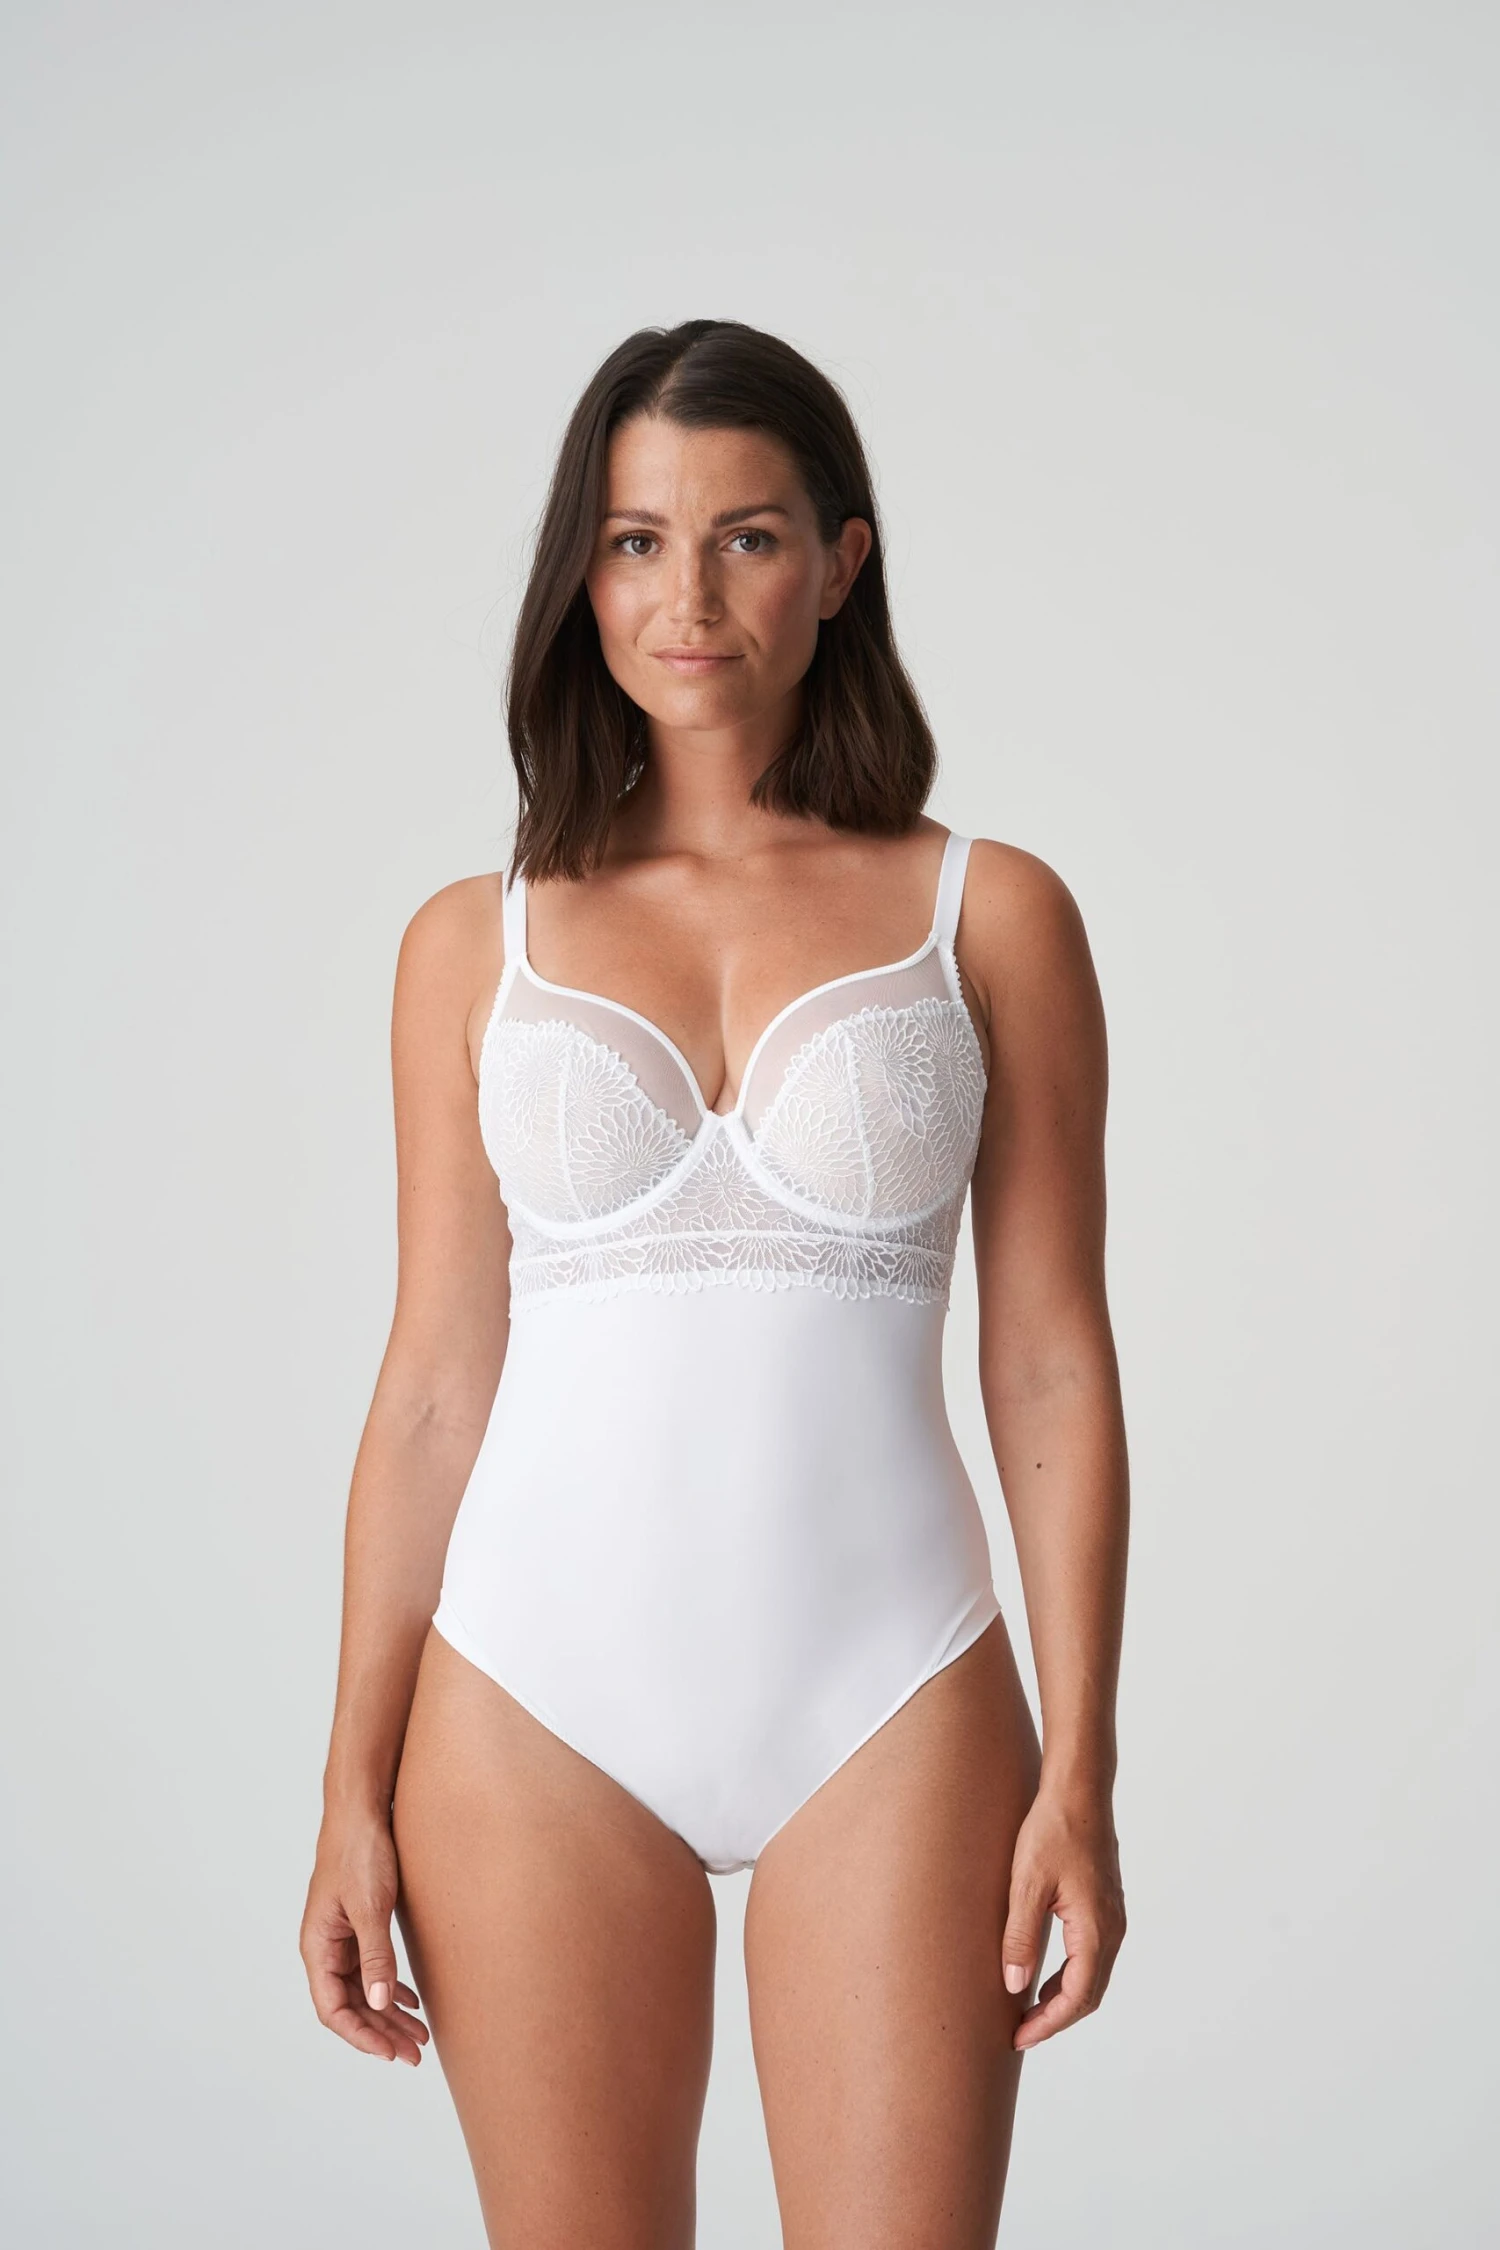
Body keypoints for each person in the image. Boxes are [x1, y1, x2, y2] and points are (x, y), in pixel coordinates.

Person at [300, 318, 1129, 2248]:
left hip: (894, 1690)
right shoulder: (471, 945)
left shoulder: (990, 912)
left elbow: (1051, 1364)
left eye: (747, 536)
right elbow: (432, 1384)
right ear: (581, 575)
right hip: (528, 1701)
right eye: (635, 541)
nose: (687, 596)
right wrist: (348, 1782)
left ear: (841, 562)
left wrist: (1083, 1767)